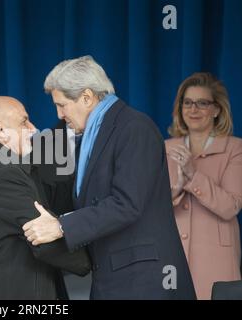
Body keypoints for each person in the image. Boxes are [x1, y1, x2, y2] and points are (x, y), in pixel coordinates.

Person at [23, 55, 196, 299]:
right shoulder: (94, 135)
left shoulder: (134, 127)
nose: (60, 114)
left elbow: (127, 203)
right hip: (115, 278)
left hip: (144, 280)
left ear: (86, 97)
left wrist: (61, 226)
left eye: (62, 105)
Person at [0, 96, 90, 300]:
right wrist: (94, 260)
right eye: (24, 122)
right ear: (0, 130)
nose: (33, 129)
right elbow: (43, 241)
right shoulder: (1, 173)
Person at [165, 72, 242, 300]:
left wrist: (193, 174)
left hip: (216, 258)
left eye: (202, 103)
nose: (193, 109)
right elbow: (152, 208)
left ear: (217, 110)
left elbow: (230, 206)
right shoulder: (166, 148)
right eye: (187, 103)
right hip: (172, 256)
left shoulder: (235, 148)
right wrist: (178, 187)